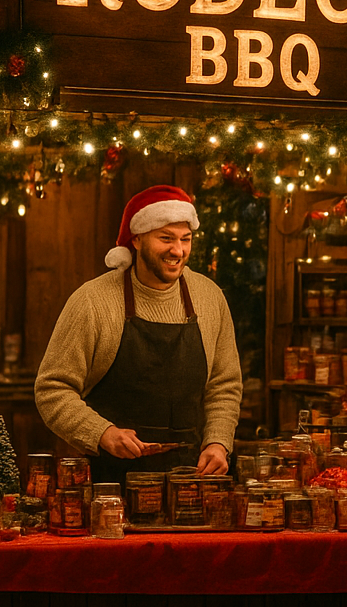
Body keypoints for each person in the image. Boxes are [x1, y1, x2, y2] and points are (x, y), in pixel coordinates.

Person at [34, 184, 242, 483]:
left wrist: (218, 443)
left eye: (186, 239)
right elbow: (52, 390)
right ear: (138, 239)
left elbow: (224, 385)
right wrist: (101, 433)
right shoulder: (93, 301)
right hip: (110, 487)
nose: (178, 250)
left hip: (192, 480)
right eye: (166, 238)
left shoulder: (209, 298)